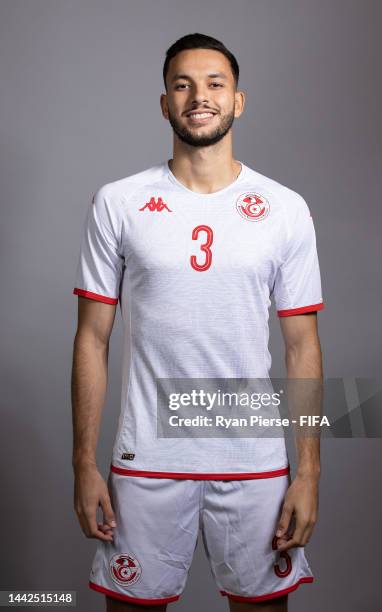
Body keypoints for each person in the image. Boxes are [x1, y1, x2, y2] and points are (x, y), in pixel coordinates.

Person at [71, 33, 324, 612]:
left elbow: (302, 348)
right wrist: (83, 465)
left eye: (215, 83)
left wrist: (308, 472)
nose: (198, 96)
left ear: (238, 101)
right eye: (182, 84)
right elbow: (92, 338)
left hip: (255, 461)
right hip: (146, 460)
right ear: (164, 103)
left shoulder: (284, 208)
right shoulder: (119, 202)